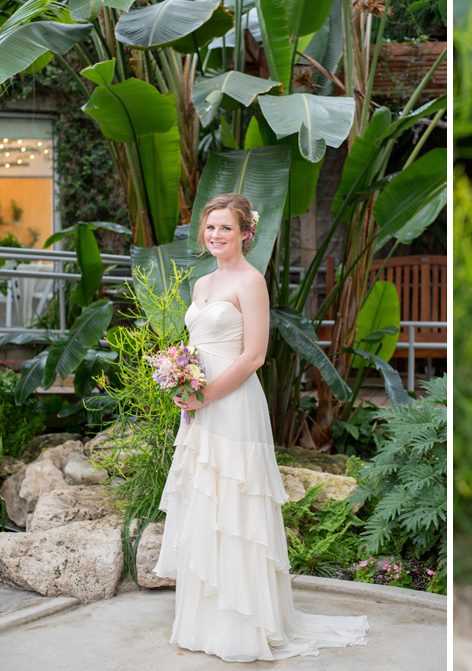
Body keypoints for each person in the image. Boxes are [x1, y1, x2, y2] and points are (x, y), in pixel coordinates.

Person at [151, 193, 369, 662]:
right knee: (205, 500)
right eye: (210, 228)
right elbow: (195, 344)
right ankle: (204, 620)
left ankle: (240, 624)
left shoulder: (251, 282)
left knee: (235, 505)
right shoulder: (202, 283)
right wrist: (179, 377)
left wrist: (205, 393)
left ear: (245, 232)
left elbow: (254, 356)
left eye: (225, 228)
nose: (215, 236)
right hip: (199, 406)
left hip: (231, 403)